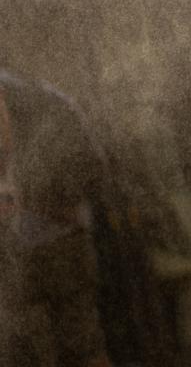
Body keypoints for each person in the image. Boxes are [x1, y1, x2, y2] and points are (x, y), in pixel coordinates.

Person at [0, 70, 112, 367]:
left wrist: (39, 201)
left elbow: (91, 169)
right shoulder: (48, 96)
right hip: (51, 241)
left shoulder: (35, 100)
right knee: (79, 344)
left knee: (59, 346)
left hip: (50, 242)